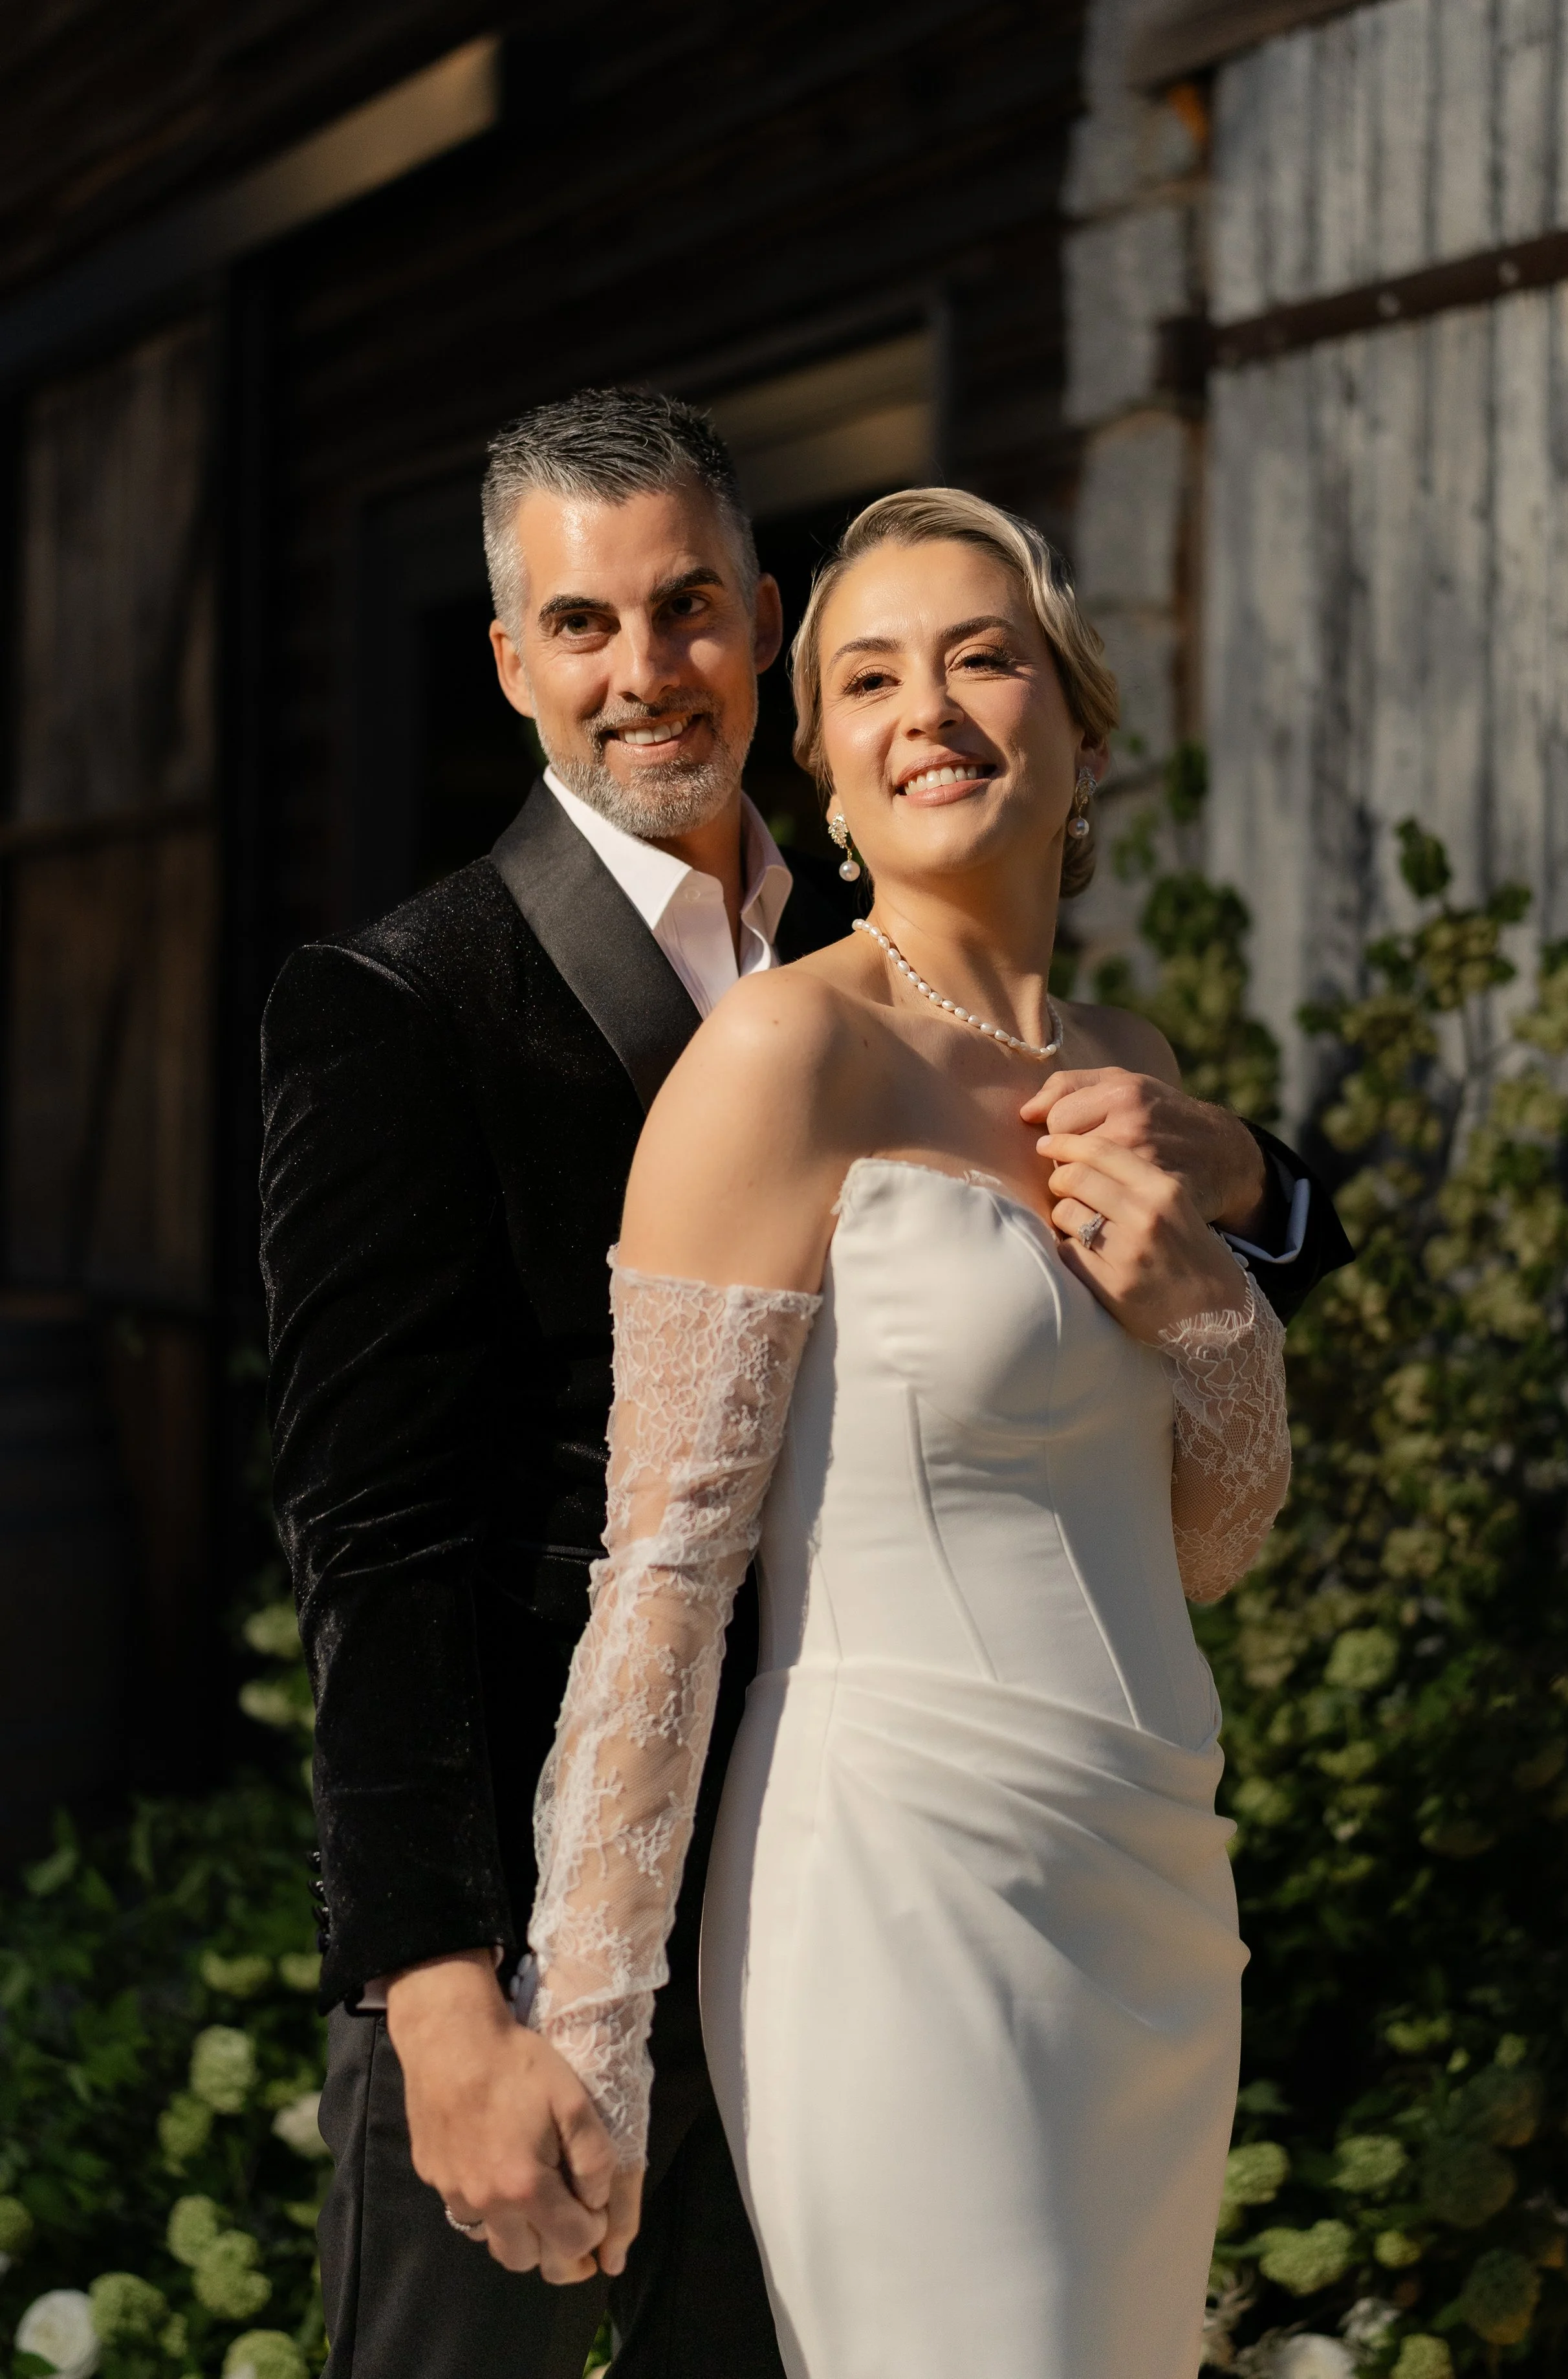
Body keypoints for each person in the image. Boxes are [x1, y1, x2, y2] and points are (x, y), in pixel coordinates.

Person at [260, 393, 1349, 2379]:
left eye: (685, 608)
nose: (643, 665)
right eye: (580, 624)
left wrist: (1233, 1209)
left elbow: (1193, 1381)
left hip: (1050, 1867)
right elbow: (379, 1535)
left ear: (754, 636)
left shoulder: (923, 966)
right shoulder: (407, 1006)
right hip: (568, 1907)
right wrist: (450, 1994)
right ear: (509, 661)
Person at [518, 486, 1316, 2379]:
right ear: (829, 775)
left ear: (1080, 725)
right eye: (866, 678)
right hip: (892, 1889)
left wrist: (1207, 1310)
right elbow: (662, 1573)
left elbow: (1195, 1538)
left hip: (1144, 1884)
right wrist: (591, 2026)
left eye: (980, 657)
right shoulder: (784, 1057)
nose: (927, 709)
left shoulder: (1134, 1069)